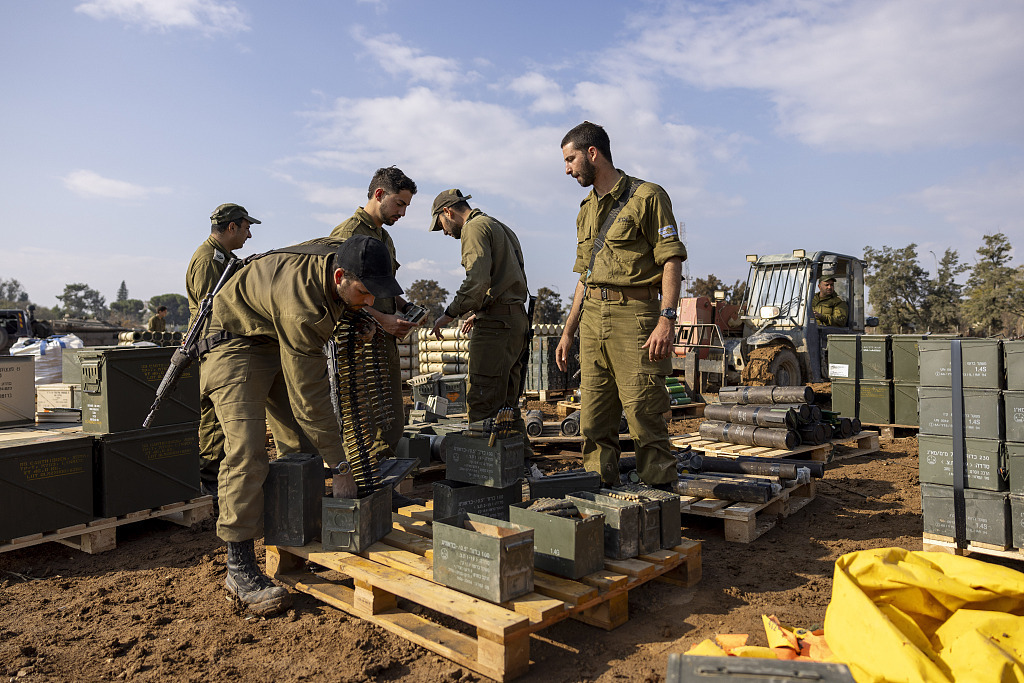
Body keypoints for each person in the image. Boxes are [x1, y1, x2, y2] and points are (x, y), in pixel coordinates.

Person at [201, 234, 402, 615]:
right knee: (247, 451)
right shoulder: (302, 308)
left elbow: (305, 409)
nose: (371, 301)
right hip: (232, 344)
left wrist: (356, 312)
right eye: (363, 292)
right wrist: (341, 467)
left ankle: (296, 538)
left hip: (272, 334)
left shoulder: (343, 255)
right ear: (340, 275)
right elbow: (311, 400)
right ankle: (239, 564)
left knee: (301, 449)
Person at [555, 121, 686, 489]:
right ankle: (602, 502)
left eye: (570, 160)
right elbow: (586, 275)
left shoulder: (648, 197)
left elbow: (671, 260)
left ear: (592, 153)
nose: (567, 169)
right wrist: (569, 330)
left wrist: (667, 320)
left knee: (644, 414)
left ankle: (659, 500)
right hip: (593, 319)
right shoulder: (585, 209)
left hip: (636, 318)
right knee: (594, 421)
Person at [428, 189, 534, 456]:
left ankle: (484, 470)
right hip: (515, 320)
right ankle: (520, 462)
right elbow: (505, 279)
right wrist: (481, 308)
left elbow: (476, 281)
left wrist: (449, 313)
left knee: (483, 399)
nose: (444, 232)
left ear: (447, 212)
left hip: (496, 327)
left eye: (440, 225)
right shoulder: (499, 227)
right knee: (507, 405)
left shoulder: (473, 229)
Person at [328, 166, 419, 453]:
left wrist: (405, 307)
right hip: (359, 345)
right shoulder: (347, 234)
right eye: (399, 203)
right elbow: (342, 295)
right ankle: (370, 488)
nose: (403, 213)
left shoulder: (384, 237)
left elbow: (383, 286)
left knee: (391, 422)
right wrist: (384, 321)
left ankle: (384, 484)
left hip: (383, 343)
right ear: (379, 195)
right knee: (364, 424)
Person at [185, 203, 258, 501]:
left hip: (223, 348)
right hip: (214, 349)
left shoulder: (225, 259)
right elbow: (209, 312)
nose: (249, 234)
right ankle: (207, 480)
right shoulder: (207, 261)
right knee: (214, 421)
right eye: (246, 228)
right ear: (231, 227)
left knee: (220, 421)